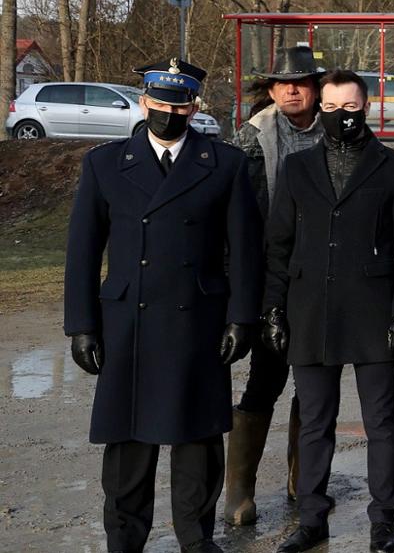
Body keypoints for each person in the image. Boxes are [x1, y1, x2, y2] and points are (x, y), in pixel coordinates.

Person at [65, 58, 262, 553]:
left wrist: (242, 317)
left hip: (197, 319)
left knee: (197, 435)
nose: (168, 113)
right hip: (128, 321)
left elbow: (245, 250)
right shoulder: (105, 163)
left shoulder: (225, 164)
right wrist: (82, 325)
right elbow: (83, 251)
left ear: (193, 107)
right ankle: (125, 538)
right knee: (128, 437)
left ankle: (196, 538)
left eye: (179, 105)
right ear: (143, 102)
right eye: (159, 103)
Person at [262, 69, 394, 553]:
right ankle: (312, 517)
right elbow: (278, 245)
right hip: (310, 310)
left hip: (373, 311)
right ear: (320, 110)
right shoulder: (297, 168)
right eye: (330, 108)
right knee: (314, 421)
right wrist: (273, 309)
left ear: (367, 107)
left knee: (382, 421)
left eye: (350, 108)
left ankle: (383, 519)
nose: (340, 116)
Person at [224, 45, 324, 527]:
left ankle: (303, 484)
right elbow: (233, 218)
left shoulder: (335, 133)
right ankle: (239, 492)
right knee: (265, 379)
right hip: (270, 278)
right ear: (270, 89)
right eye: (283, 83)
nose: (292, 91)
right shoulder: (250, 137)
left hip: (322, 278)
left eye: (301, 82)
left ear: (316, 88)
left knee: (315, 384)